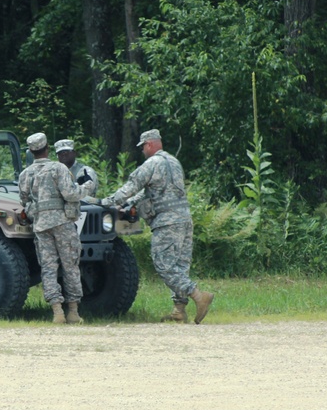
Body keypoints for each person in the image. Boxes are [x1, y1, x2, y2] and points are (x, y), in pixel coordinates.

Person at [98, 129, 214, 324]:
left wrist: (108, 202)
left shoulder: (151, 164)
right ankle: (179, 310)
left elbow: (131, 186)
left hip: (166, 221)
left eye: (143, 147)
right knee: (179, 265)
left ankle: (198, 295)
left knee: (163, 264)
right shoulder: (174, 163)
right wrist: (130, 204)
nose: (142, 151)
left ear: (149, 144)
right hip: (184, 219)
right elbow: (150, 192)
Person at [19, 132, 95, 324]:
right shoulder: (58, 168)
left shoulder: (25, 174)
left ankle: (56, 312)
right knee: (70, 265)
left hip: (41, 225)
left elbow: (24, 200)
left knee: (48, 267)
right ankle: (73, 312)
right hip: (62, 223)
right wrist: (87, 186)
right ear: (47, 149)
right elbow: (70, 194)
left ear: (31, 151)